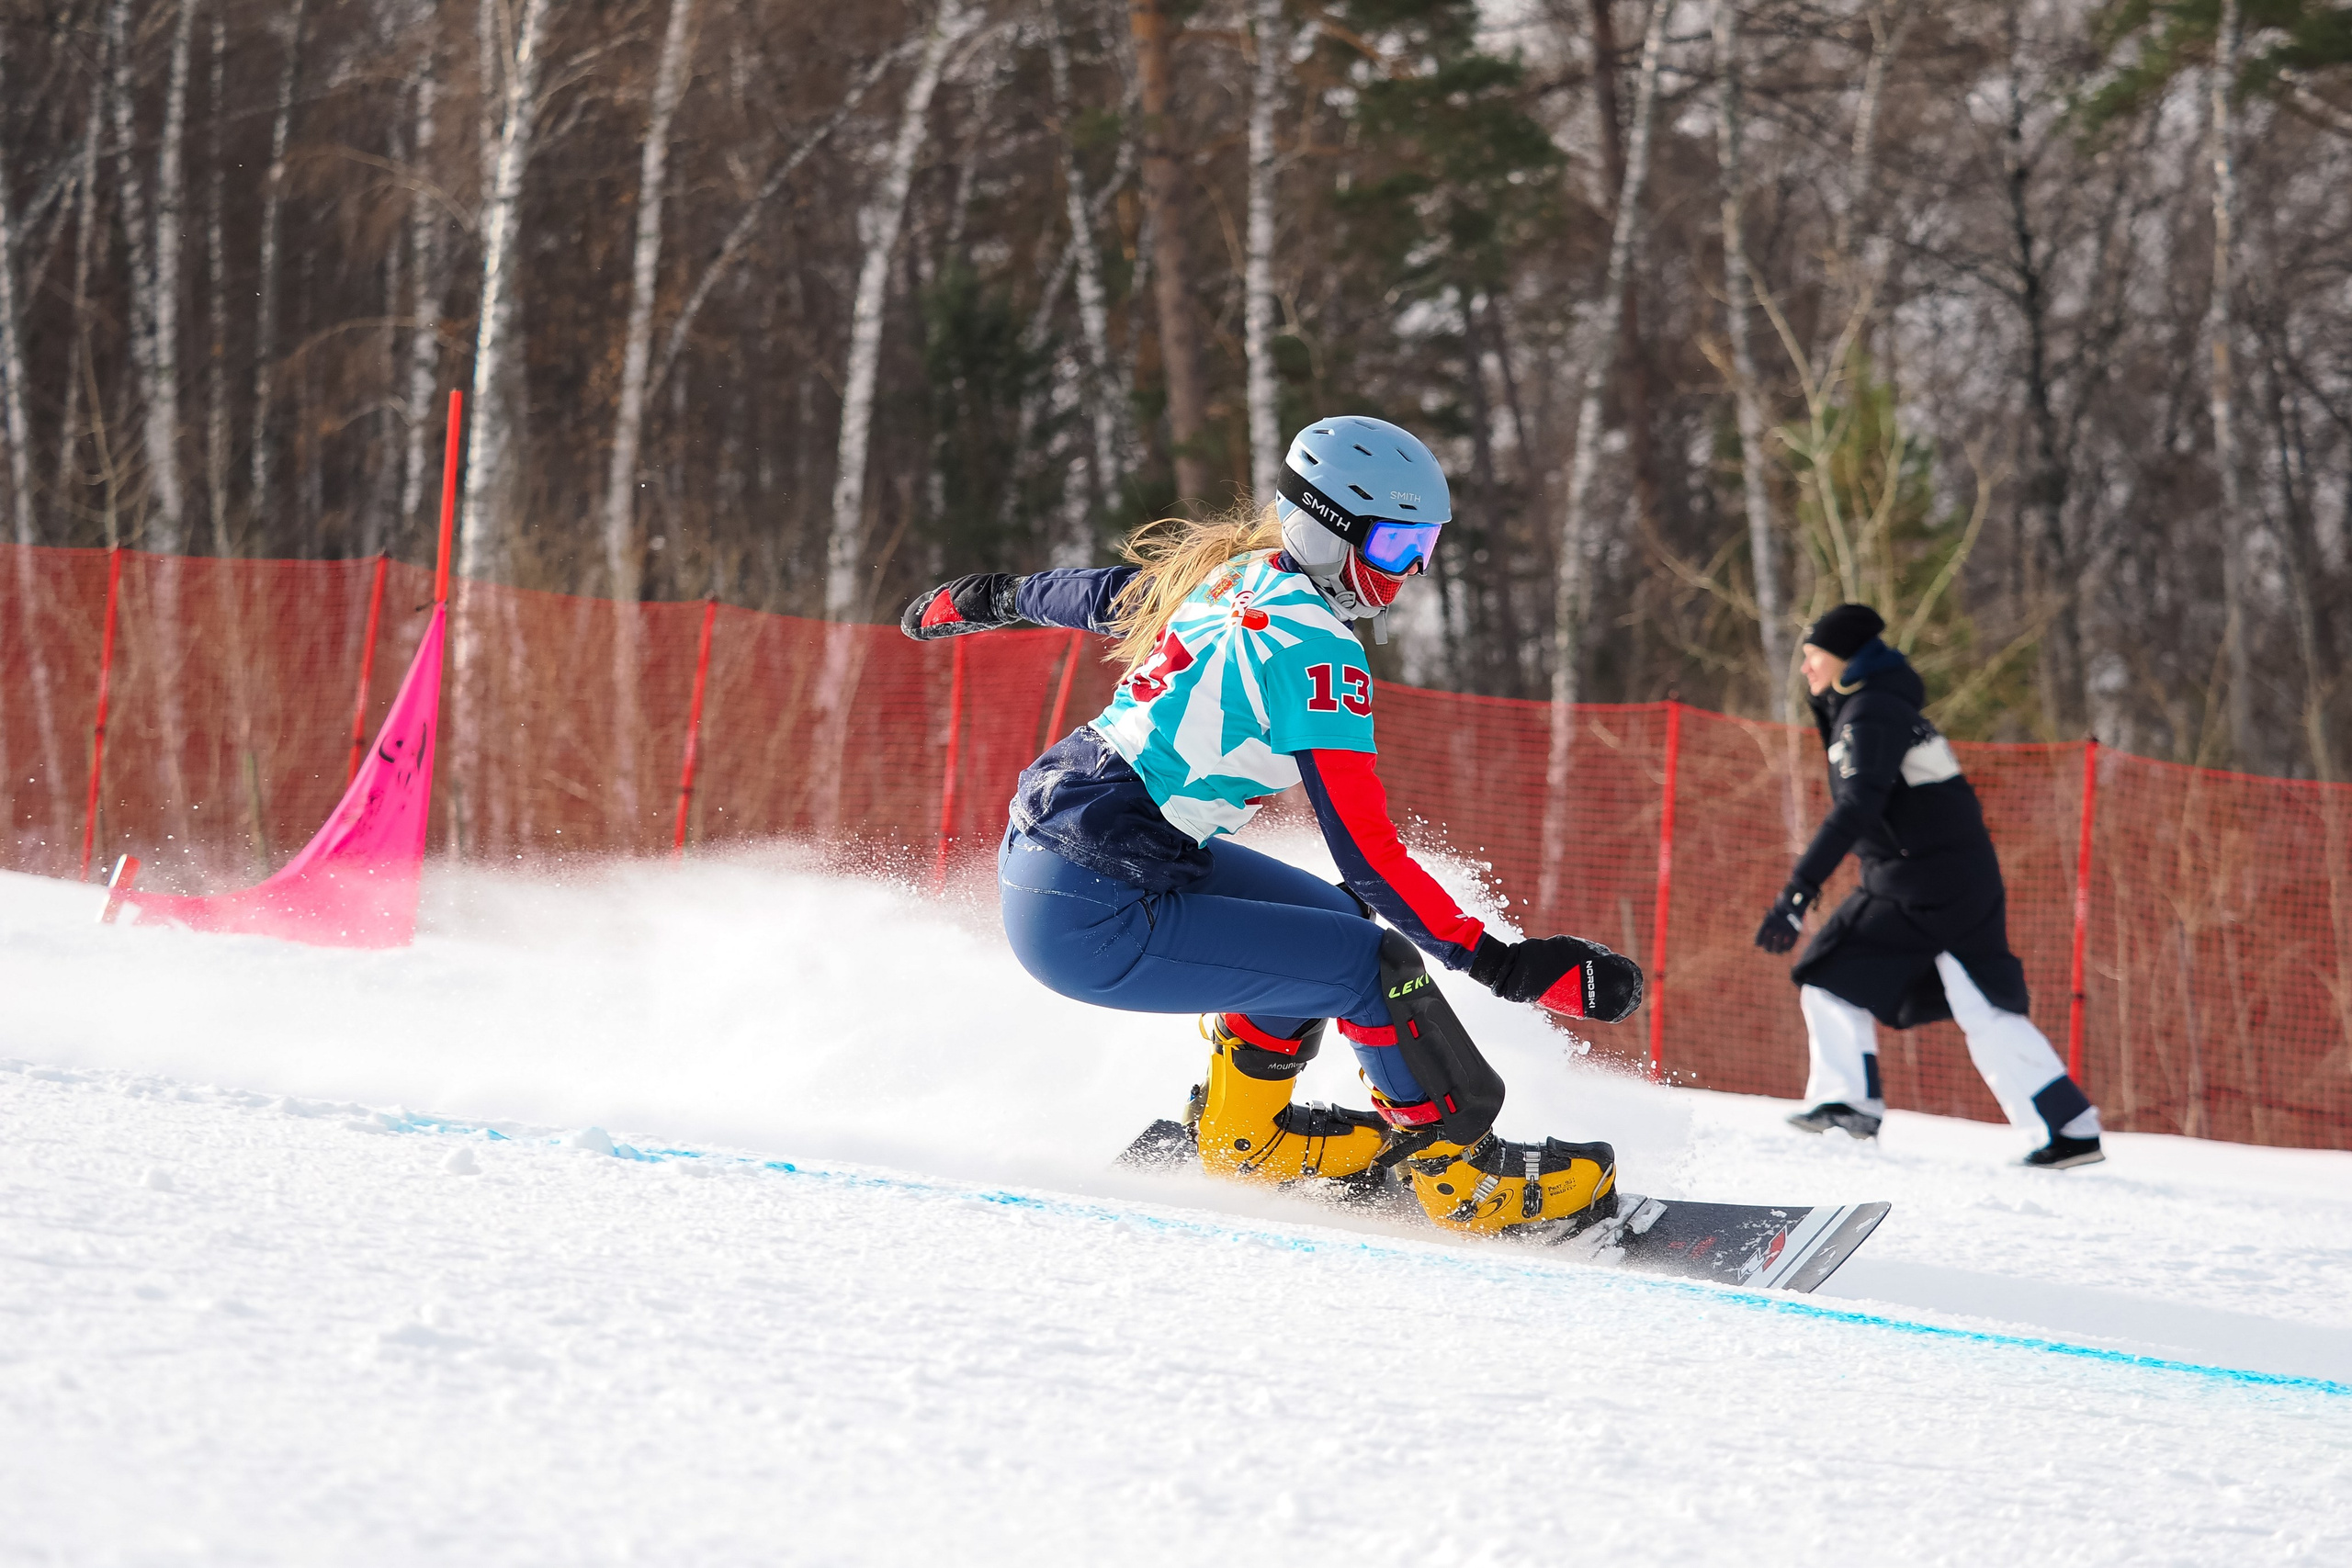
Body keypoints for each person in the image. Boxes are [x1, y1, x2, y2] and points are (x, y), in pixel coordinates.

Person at [899, 415, 1645, 1235]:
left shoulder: (1232, 576)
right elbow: (1365, 854)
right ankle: (1461, 1178)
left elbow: (1090, 594)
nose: (1407, 574)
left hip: (1069, 855)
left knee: (1330, 924)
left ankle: (1240, 1137)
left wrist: (988, 597)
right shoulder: (1320, 653)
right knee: (1371, 962)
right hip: (1095, 905)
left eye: (1423, 548)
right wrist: (1507, 964)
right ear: (1327, 532)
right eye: (1396, 547)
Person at [1755, 604, 2105, 1168]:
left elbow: (1859, 805)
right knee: (1984, 1008)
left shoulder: (1870, 713)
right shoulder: (1880, 706)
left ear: (1845, 659)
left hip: (1923, 883)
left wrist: (1798, 891)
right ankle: (2069, 1127)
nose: (1805, 668)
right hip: (1952, 878)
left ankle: (1848, 1104)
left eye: (1812, 656)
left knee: (1829, 975)